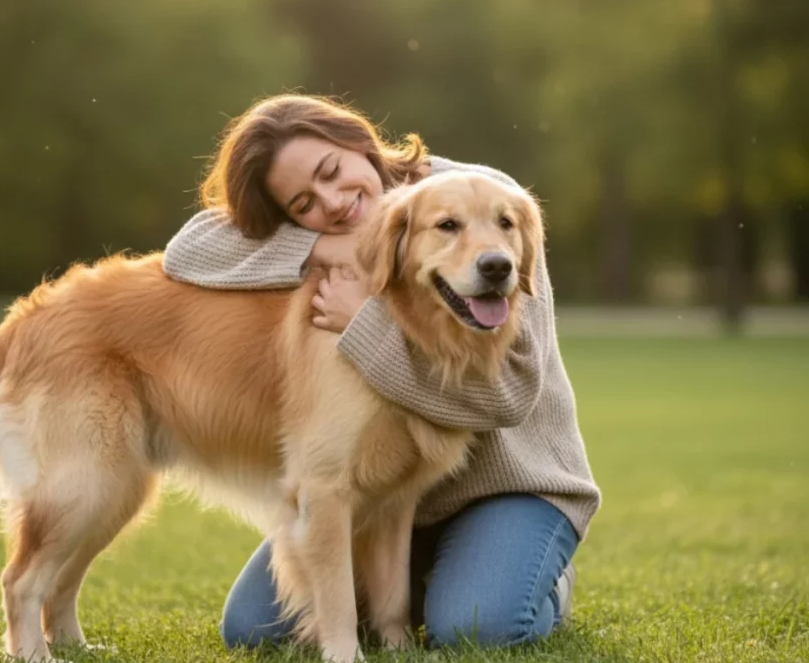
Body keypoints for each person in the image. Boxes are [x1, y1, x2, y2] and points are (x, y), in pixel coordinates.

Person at [162, 94, 600, 649]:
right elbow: (189, 251)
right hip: (393, 503)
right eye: (304, 203)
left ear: (357, 143)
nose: (335, 201)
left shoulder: (484, 201)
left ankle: (540, 581)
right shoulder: (357, 237)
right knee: (252, 629)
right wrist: (334, 244)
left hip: (514, 489)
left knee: (478, 627)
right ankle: (429, 584)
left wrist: (362, 327)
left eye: (331, 171)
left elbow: (508, 399)